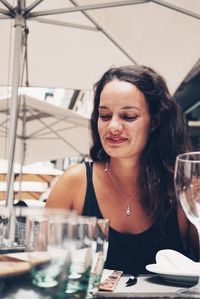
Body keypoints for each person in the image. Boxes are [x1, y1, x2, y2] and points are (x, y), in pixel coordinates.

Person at [46, 65, 198, 274]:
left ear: (155, 121)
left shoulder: (180, 187)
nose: (113, 127)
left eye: (128, 116)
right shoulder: (75, 183)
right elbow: (42, 267)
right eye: (105, 115)